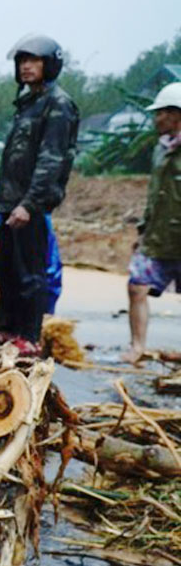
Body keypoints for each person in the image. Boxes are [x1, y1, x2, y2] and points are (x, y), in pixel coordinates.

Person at [0, 33, 79, 356]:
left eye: (34, 61)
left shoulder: (58, 104)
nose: (26, 67)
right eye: (22, 61)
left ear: (49, 64)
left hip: (31, 205)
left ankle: (29, 335)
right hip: (9, 202)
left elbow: (50, 160)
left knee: (30, 273)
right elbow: (10, 160)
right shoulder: (26, 104)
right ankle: (7, 328)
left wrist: (29, 204)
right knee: (5, 266)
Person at [124, 82, 181, 363]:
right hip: (158, 237)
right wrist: (144, 230)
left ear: (176, 114)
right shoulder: (160, 149)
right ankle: (137, 346)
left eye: (161, 113)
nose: (156, 119)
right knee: (137, 286)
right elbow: (154, 193)